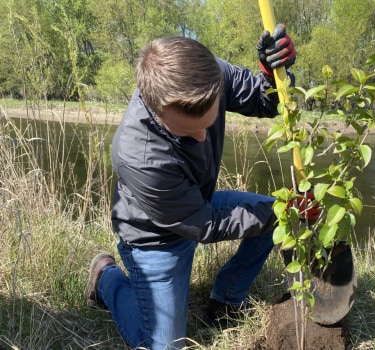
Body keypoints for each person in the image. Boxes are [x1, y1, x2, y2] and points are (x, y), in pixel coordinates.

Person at [85, 24, 296, 350]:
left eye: (207, 125)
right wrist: (282, 208)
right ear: (155, 109)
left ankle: (226, 300)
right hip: (155, 239)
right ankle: (106, 279)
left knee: (276, 214)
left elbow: (266, 102)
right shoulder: (138, 155)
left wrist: (271, 76)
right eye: (186, 134)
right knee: (163, 347)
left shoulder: (207, 74)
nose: (201, 139)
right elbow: (205, 224)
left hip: (197, 203)